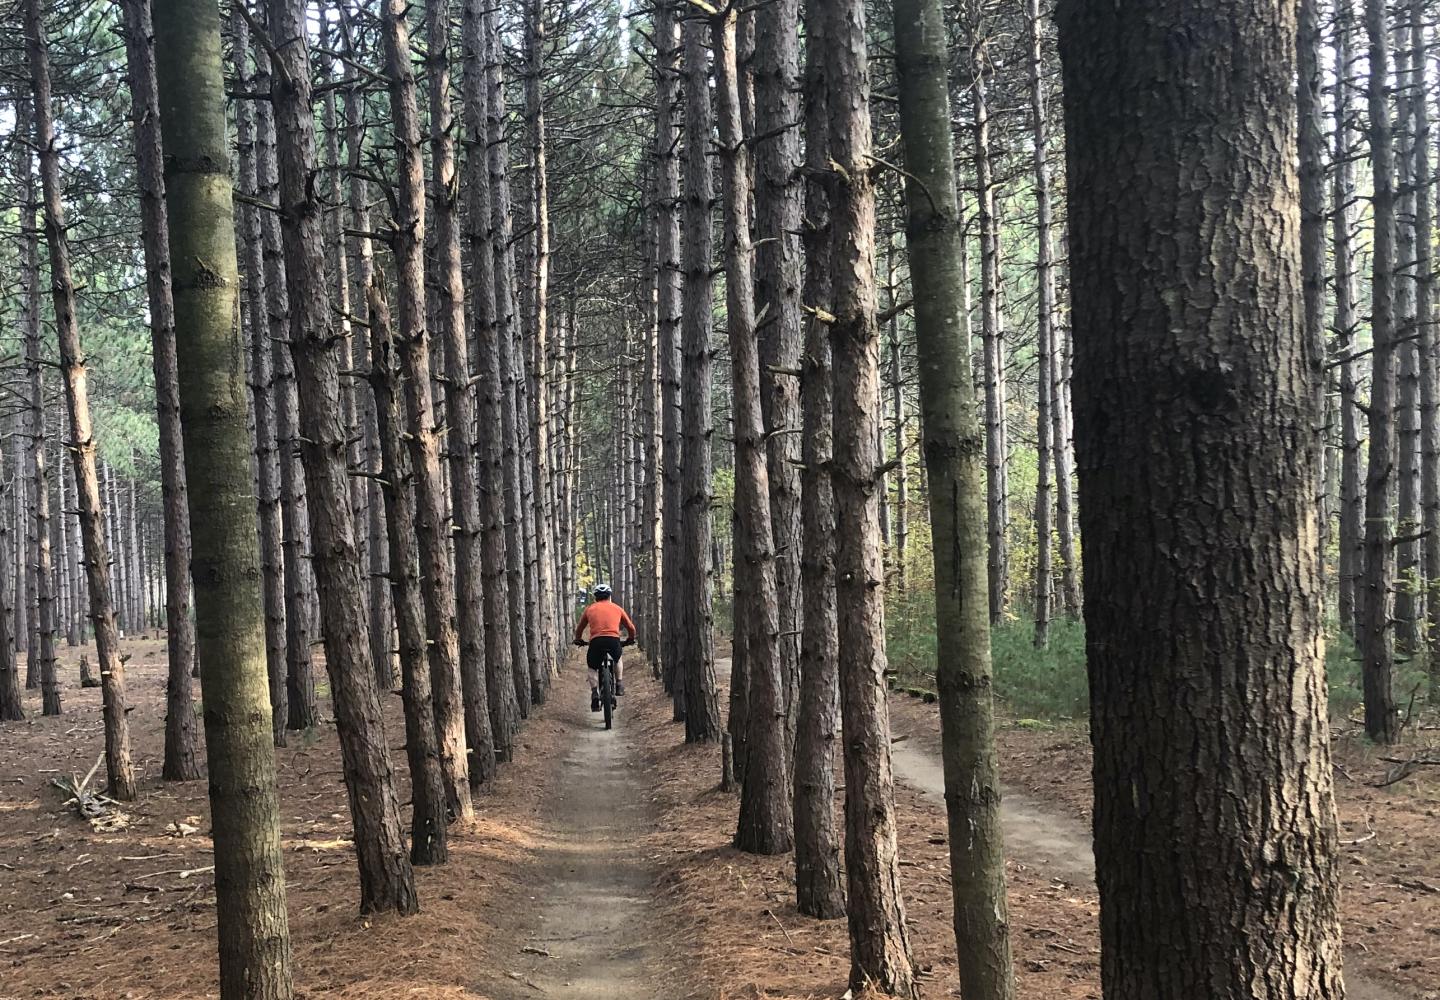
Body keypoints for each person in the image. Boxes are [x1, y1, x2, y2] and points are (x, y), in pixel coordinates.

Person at [572, 583, 637, 712]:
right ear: (609, 596)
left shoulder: (589, 609)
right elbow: (631, 627)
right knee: (617, 658)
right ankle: (618, 684)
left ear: (596, 597)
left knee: (592, 666)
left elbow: (579, 628)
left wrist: (578, 639)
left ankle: (594, 693)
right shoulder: (617, 608)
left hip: (596, 641)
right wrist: (630, 639)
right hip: (613, 640)